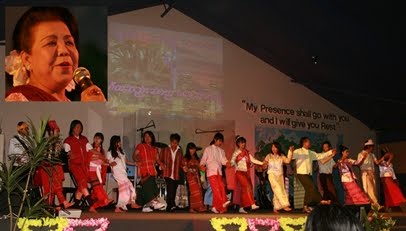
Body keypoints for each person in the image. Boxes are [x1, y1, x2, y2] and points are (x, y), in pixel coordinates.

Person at [5, 7, 105, 102]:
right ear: (27, 59)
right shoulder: (17, 100)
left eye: (69, 42)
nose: (64, 50)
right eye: (51, 43)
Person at [33, 120, 74, 209]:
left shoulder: (58, 142)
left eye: (58, 131)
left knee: (57, 186)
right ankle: (52, 205)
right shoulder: (45, 142)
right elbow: (42, 155)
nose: (58, 133)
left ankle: (58, 204)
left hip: (55, 167)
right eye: (56, 131)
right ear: (51, 132)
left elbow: (59, 155)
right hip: (46, 168)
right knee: (49, 188)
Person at [292, 137, 336, 213]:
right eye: (308, 142)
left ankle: (305, 206)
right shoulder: (298, 151)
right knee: (312, 187)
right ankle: (321, 201)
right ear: (304, 143)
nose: (310, 143)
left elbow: (320, 156)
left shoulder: (311, 153)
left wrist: (330, 152)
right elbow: (291, 157)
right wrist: (290, 151)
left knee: (308, 190)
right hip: (301, 173)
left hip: (308, 174)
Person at [132, 131, 165, 212]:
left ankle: (146, 206)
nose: (147, 138)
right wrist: (137, 159)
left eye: (149, 136)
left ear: (152, 138)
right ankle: (154, 202)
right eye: (145, 136)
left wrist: (161, 164)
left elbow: (157, 159)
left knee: (152, 188)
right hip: (144, 170)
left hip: (152, 171)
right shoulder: (141, 146)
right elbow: (134, 155)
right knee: (149, 187)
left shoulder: (155, 148)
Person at [63, 120, 93, 208]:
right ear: (72, 128)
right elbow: (67, 152)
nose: (78, 129)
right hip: (75, 166)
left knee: (81, 186)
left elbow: (91, 150)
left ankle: (75, 204)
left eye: (80, 127)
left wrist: (102, 157)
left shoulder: (84, 139)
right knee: (83, 183)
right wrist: (70, 155)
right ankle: (91, 205)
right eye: (76, 127)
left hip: (84, 166)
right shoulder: (68, 140)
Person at [106, 135, 140, 213]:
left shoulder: (121, 152)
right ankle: (132, 202)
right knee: (130, 186)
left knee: (123, 190)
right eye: (118, 141)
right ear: (115, 142)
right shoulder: (110, 152)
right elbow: (107, 162)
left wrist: (134, 163)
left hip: (123, 173)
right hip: (117, 173)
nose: (120, 143)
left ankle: (119, 206)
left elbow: (126, 161)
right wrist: (110, 164)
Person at [200, 132, 231, 214]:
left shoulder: (221, 151)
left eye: (221, 141)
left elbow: (223, 160)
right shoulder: (208, 149)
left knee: (221, 187)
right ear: (215, 140)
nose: (220, 143)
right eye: (219, 141)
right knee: (216, 189)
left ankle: (214, 207)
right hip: (211, 172)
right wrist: (202, 165)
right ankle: (222, 203)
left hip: (219, 172)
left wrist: (227, 162)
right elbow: (203, 160)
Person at [230, 135, 262, 213]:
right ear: (238, 144)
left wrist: (262, 163)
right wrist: (230, 163)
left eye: (244, 143)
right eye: (241, 143)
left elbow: (253, 160)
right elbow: (232, 162)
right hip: (239, 173)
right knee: (247, 186)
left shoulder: (247, 152)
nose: (243, 144)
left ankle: (241, 207)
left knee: (244, 190)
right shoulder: (236, 153)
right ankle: (252, 204)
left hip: (246, 173)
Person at [263, 142, 293, 213]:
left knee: (279, 190)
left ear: (278, 148)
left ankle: (276, 207)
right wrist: (264, 165)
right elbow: (264, 164)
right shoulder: (269, 156)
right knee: (277, 188)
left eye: (275, 147)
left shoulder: (281, 156)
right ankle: (284, 204)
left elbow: (288, 161)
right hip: (271, 174)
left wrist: (290, 151)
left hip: (280, 175)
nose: (273, 149)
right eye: (272, 147)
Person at [88, 132, 113, 213]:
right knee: (97, 188)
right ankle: (105, 199)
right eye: (95, 137)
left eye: (98, 138)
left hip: (98, 171)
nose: (96, 139)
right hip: (91, 170)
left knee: (98, 189)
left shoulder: (102, 150)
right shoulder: (90, 147)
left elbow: (102, 163)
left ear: (101, 140)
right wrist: (99, 158)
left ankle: (93, 206)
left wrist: (109, 164)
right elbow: (88, 159)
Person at [160, 133, 183, 212]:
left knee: (173, 189)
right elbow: (160, 159)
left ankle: (169, 206)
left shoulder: (180, 151)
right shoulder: (165, 149)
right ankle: (172, 204)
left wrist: (184, 167)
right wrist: (161, 165)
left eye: (176, 143)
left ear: (178, 143)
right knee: (170, 188)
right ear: (170, 141)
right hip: (167, 172)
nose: (174, 144)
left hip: (176, 173)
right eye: (173, 142)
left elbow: (181, 162)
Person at [357, 139, 385, 208]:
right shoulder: (361, 154)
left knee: (373, 189)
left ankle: (372, 205)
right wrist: (363, 158)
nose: (373, 148)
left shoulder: (372, 155)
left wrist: (383, 158)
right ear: (368, 147)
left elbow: (377, 163)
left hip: (372, 173)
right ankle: (375, 205)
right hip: (365, 173)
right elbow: (359, 164)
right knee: (369, 189)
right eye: (372, 147)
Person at [182, 142, 206, 213]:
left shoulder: (196, 158)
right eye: (190, 149)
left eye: (193, 149)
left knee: (199, 191)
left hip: (197, 176)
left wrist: (202, 169)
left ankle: (198, 207)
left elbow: (200, 167)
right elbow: (184, 167)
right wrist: (186, 168)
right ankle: (193, 207)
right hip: (190, 176)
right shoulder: (185, 158)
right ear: (188, 149)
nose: (192, 150)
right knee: (194, 192)